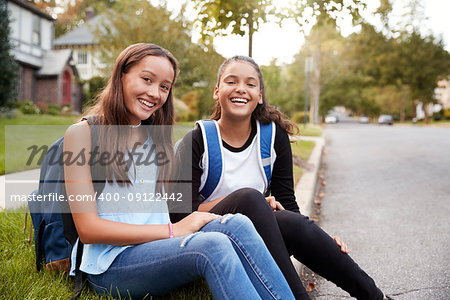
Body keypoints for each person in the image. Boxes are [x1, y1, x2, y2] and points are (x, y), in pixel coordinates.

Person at [63, 44, 295, 299]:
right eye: (147, 79)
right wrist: (175, 231)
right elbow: (88, 229)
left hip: (160, 247)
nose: (155, 93)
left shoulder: (155, 137)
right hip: (110, 265)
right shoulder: (82, 134)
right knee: (213, 245)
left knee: (237, 222)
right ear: (121, 76)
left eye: (164, 86)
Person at [175, 55, 393, 300]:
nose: (240, 89)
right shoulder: (197, 140)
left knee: (292, 222)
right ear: (217, 91)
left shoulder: (272, 136)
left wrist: (319, 241)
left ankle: (377, 297)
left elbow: (287, 203)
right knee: (251, 199)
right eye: (231, 81)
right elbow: (181, 215)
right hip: (208, 240)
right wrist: (242, 205)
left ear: (259, 96)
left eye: (250, 84)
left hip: (257, 237)